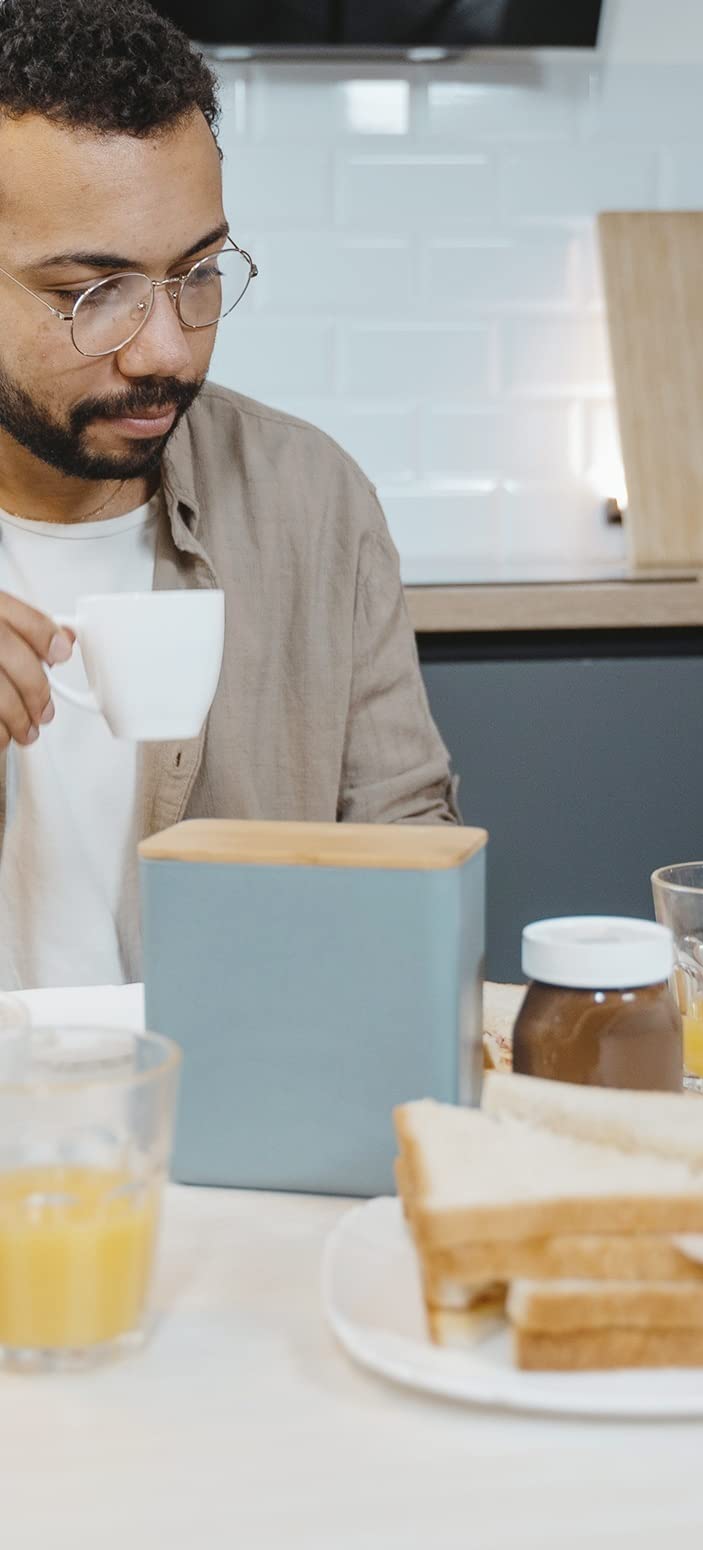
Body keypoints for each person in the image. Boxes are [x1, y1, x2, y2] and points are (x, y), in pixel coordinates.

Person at [0, 0, 457, 989]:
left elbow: (408, 867)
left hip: (229, 1121)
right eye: (93, 291)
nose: (168, 348)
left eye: (198, 273)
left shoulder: (313, 503)